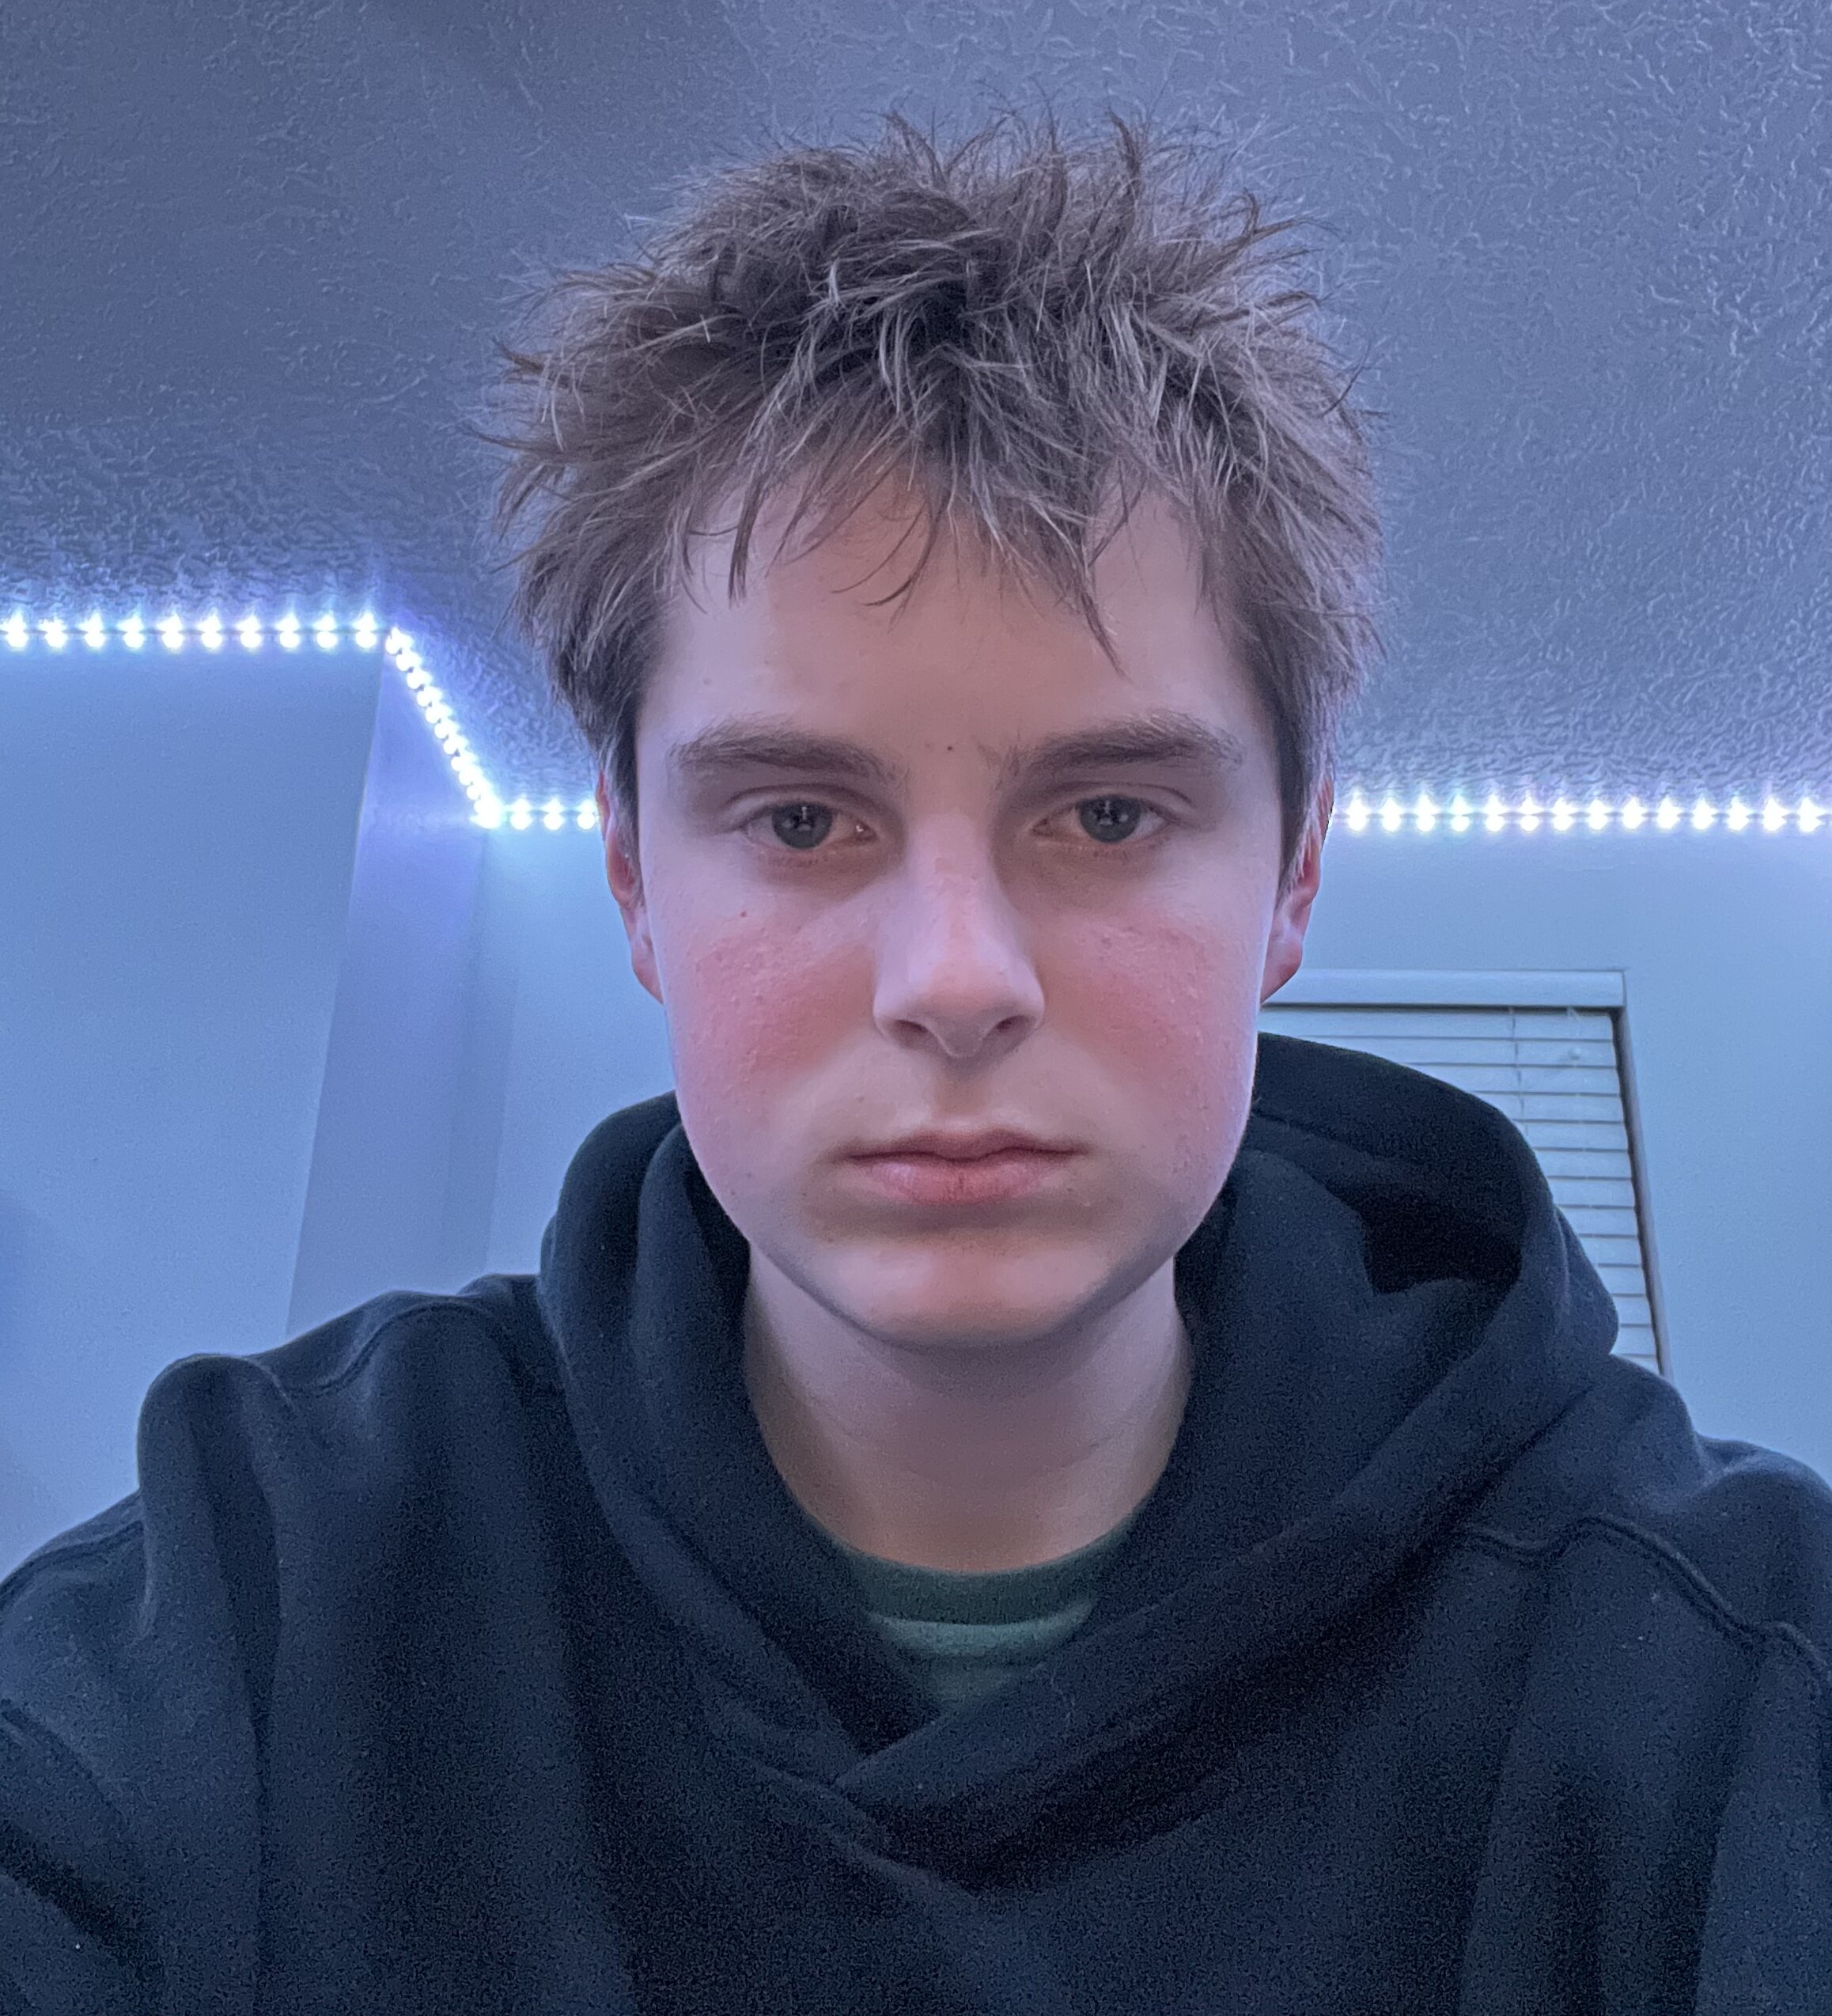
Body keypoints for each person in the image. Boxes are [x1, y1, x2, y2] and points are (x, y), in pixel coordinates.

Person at [2, 104, 1828, 2013]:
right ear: (634, 883)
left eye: (1108, 814)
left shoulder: (1732, 1673)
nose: (958, 978)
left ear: (1293, 876)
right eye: (801, 820)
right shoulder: (259, 1595)